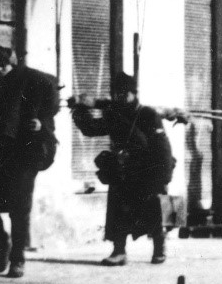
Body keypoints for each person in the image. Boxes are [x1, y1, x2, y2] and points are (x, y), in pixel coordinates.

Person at [0, 46, 60, 279]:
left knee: (19, 209)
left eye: (3, 65)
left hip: (22, 156)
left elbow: (51, 105)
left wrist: (41, 123)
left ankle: (17, 259)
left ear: (12, 64)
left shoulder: (31, 85)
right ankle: (2, 243)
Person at [71, 76, 174, 265]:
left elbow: (163, 148)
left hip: (148, 170)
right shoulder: (114, 114)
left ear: (134, 93)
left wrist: (164, 176)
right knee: (118, 210)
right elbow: (92, 129)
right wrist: (79, 110)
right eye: (117, 93)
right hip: (124, 170)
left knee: (154, 209)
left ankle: (159, 249)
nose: (121, 97)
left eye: (125, 93)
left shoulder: (148, 114)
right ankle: (119, 252)